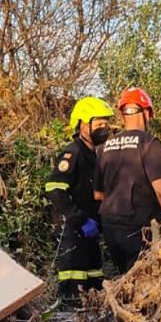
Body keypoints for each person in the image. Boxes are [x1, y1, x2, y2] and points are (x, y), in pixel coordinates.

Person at [93, 87, 161, 273]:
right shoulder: (149, 143)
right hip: (138, 226)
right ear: (147, 113)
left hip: (109, 225)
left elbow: (98, 194)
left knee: (124, 280)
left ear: (122, 117)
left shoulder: (104, 147)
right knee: (144, 281)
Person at [46, 97, 113, 306]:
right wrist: (79, 219)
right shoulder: (72, 153)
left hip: (90, 231)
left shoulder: (95, 154)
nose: (104, 128)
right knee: (73, 287)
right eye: (99, 124)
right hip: (72, 231)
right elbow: (55, 190)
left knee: (94, 282)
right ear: (84, 125)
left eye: (106, 124)